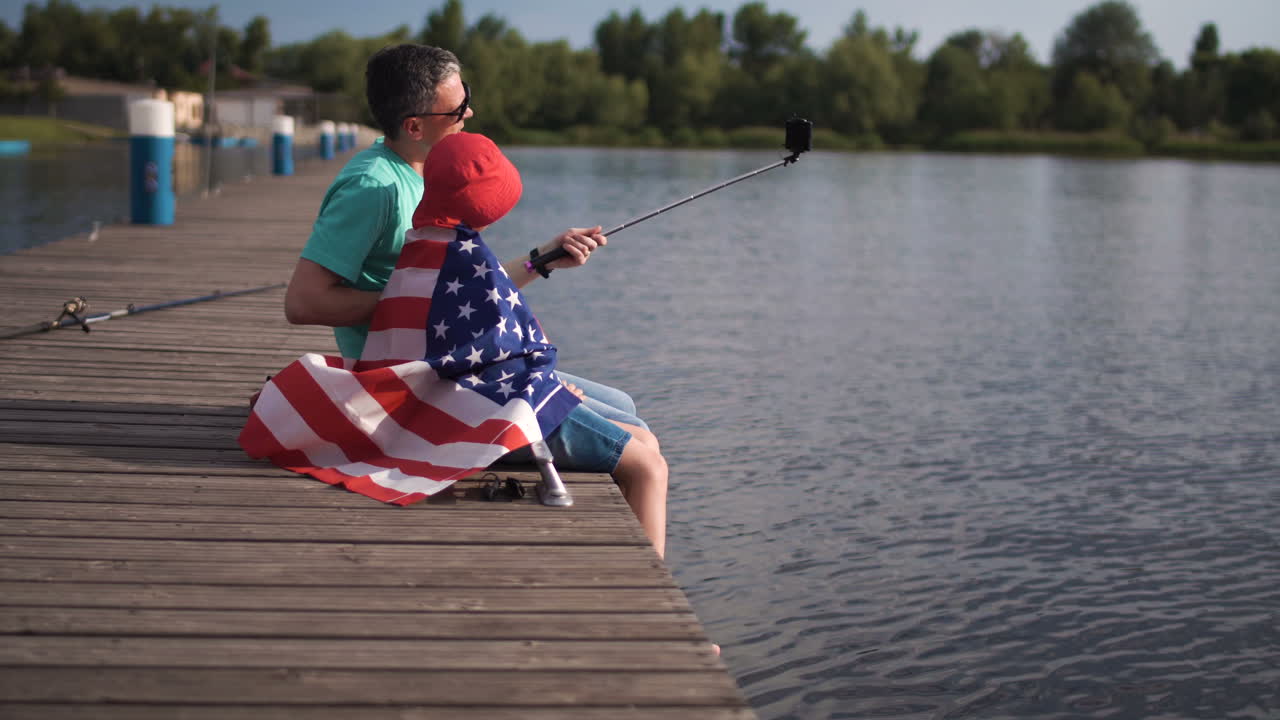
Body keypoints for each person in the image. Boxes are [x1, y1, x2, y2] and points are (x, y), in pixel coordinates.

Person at [278, 44, 669, 555]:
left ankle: (631, 564)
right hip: (416, 390)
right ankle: (646, 605)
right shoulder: (373, 187)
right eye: (458, 110)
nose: (470, 115)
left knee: (627, 409)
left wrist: (540, 259)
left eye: (467, 101)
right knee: (643, 452)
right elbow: (303, 303)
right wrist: (413, 306)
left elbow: (461, 292)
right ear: (415, 126)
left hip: (453, 368)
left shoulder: (427, 173)